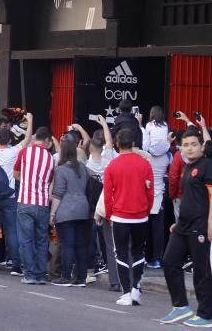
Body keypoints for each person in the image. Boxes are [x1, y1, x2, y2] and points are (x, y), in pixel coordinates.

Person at [161, 128, 212, 328]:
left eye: (193, 144)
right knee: (169, 262)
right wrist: (177, 223)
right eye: (185, 145)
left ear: (202, 146)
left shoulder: (208, 167)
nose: (189, 148)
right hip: (183, 226)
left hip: (201, 226)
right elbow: (189, 198)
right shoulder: (188, 167)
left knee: (202, 271)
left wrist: (211, 223)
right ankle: (180, 306)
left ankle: (205, 315)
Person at [104, 128, 155, 304]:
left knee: (121, 253)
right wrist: (146, 210)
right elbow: (150, 192)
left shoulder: (112, 166)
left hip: (120, 216)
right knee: (138, 252)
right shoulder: (145, 164)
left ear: (117, 144)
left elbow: (107, 195)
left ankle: (126, 292)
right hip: (141, 215)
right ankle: (135, 289)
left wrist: (110, 215)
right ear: (133, 144)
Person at [0, 115, 33, 275]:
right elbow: (27, 139)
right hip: (9, 197)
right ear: (9, 140)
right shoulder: (13, 152)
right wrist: (30, 121)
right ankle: (16, 265)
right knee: (12, 230)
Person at [14, 123, 55, 285]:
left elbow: (16, 173)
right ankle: (40, 274)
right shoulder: (51, 158)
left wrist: (25, 180)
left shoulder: (25, 152)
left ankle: (29, 273)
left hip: (25, 201)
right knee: (41, 240)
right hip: (43, 203)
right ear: (46, 140)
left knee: (25, 240)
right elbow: (50, 181)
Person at [51, 138, 94, 287]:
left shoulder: (61, 170)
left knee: (67, 245)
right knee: (81, 245)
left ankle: (65, 276)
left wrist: (52, 214)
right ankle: (81, 278)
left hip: (66, 211)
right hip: (83, 209)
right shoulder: (82, 167)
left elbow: (57, 194)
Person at [143, 106, 171, 268]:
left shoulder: (146, 157)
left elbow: (146, 144)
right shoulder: (168, 156)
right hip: (160, 191)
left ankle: (146, 255)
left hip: (147, 191)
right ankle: (158, 257)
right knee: (158, 228)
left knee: (145, 226)